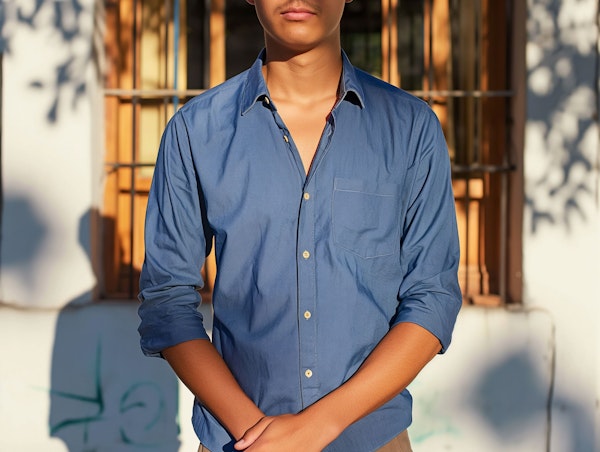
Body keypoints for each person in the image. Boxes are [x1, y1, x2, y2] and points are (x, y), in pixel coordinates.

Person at [138, 0, 462, 451]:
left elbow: (433, 298)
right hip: (238, 441)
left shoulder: (409, 128)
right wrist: (259, 436)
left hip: (371, 439)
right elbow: (166, 301)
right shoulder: (196, 132)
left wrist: (320, 426)